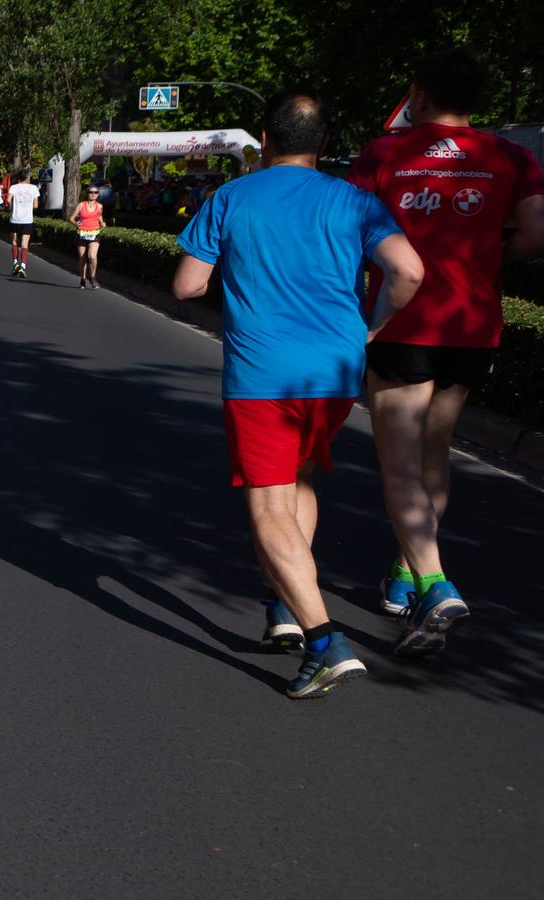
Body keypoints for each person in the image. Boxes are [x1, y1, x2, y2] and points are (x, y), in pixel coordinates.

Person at [172, 89, 424, 699]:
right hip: (335, 371)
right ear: (326, 144)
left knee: (266, 507)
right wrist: (372, 327)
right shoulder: (354, 201)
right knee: (301, 478)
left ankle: (323, 640)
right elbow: (409, 271)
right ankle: (285, 605)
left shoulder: (230, 197)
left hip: (263, 374)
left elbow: (186, 285)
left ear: (267, 138)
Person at [352, 48, 544, 654]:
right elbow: (538, 232)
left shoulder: (385, 153)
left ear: (421, 96)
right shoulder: (512, 157)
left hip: (403, 324)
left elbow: (348, 233)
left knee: (399, 464)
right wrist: (492, 262)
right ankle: (407, 577)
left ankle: (434, 583)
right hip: (473, 327)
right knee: (436, 452)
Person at [6, 171, 39, 277]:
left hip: (15, 219)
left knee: (14, 242)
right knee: (25, 244)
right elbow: (36, 206)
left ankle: (15, 263)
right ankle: (23, 267)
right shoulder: (34, 188)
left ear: (18, 178)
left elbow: (8, 200)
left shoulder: (13, 187)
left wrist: (12, 205)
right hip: (27, 220)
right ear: (27, 178)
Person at [74, 185, 107, 289]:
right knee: (82, 258)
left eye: (96, 192)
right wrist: (76, 223)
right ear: (87, 193)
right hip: (82, 234)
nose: (93, 194)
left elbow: (99, 216)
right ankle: (82, 279)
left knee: (92, 256)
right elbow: (71, 218)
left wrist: (102, 223)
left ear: (98, 194)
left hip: (94, 233)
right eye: (91, 192)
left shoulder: (100, 206)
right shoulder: (81, 205)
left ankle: (93, 277)